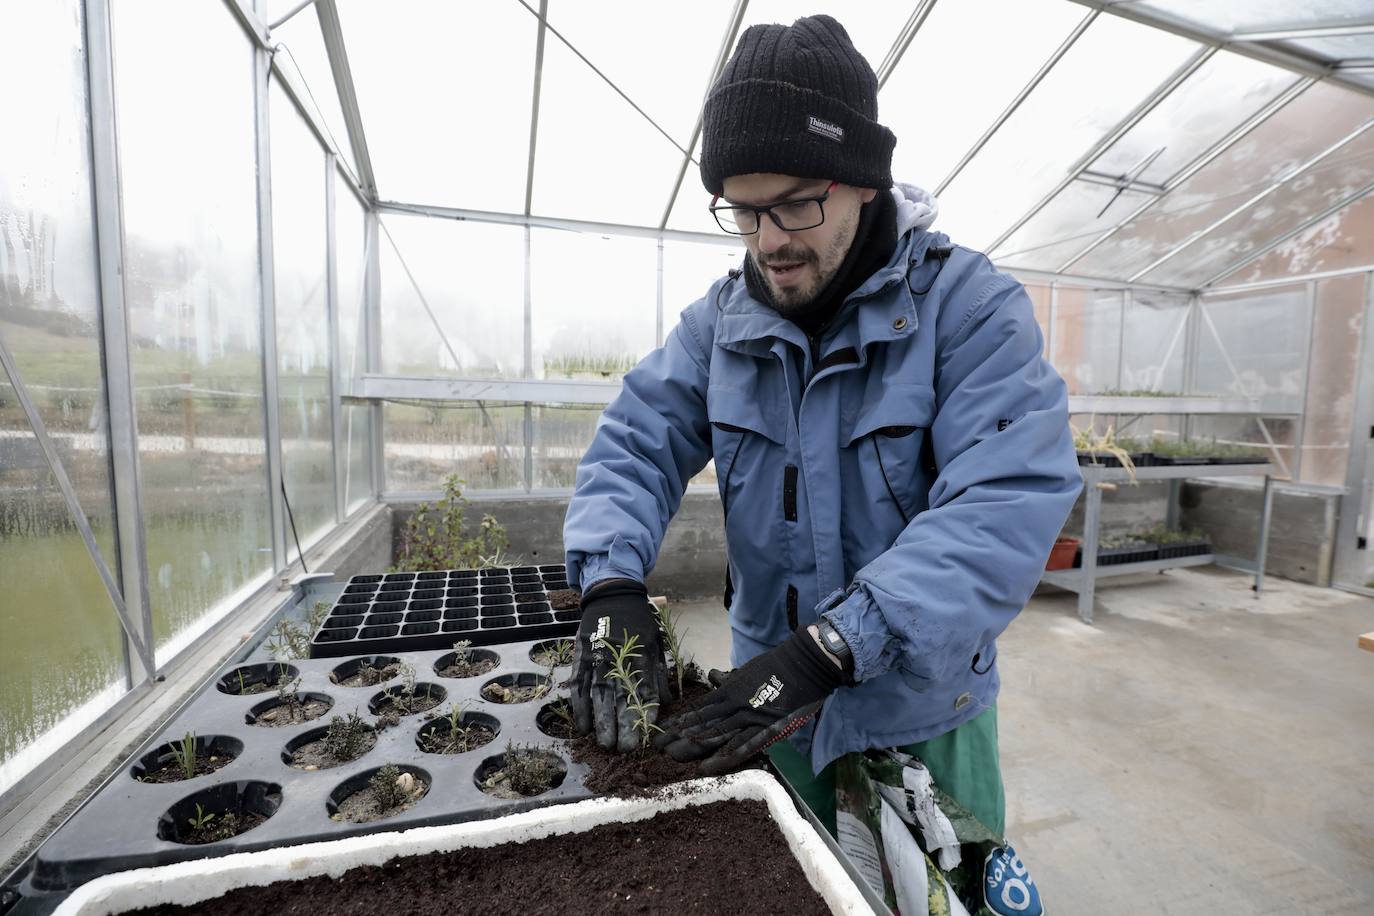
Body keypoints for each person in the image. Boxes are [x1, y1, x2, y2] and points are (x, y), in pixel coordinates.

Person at [562, 13, 1081, 836]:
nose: (768, 242)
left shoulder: (968, 310)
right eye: (742, 212)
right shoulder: (719, 326)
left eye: (797, 205)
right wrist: (610, 582)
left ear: (864, 181)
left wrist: (838, 645)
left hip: (921, 717)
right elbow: (637, 440)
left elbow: (1007, 496)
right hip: (765, 705)